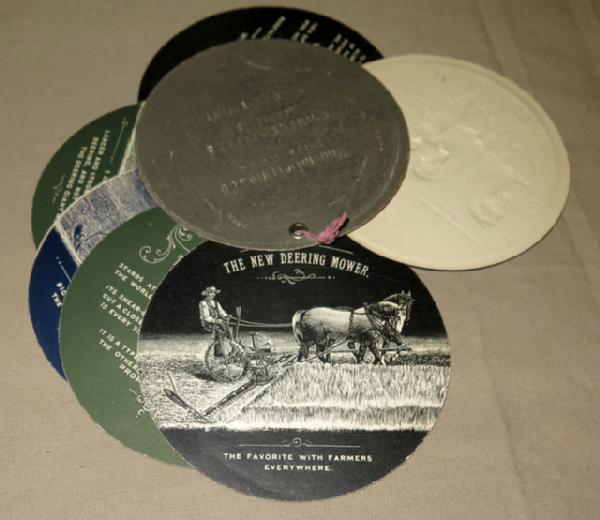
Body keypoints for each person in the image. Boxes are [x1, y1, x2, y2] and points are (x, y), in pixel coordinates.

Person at [199, 286, 231, 356]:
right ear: (207, 294)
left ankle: (223, 349)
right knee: (220, 330)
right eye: (211, 293)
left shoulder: (216, 303)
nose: (212, 294)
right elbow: (206, 317)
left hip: (216, 322)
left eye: (214, 293)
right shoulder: (203, 303)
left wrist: (226, 316)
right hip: (208, 323)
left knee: (228, 328)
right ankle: (218, 351)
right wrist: (215, 321)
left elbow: (221, 312)